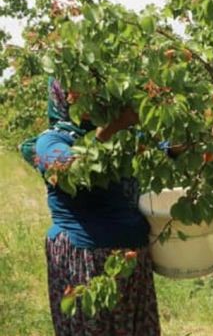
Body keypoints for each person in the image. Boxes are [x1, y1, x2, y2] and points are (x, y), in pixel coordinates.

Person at [24, 78, 160, 336]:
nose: (87, 93)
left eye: (93, 87)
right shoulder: (51, 140)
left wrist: (198, 138)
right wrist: (113, 127)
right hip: (83, 261)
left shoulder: (125, 137)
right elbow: (68, 168)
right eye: (74, 89)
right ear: (62, 98)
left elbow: (164, 153)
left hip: (131, 258)